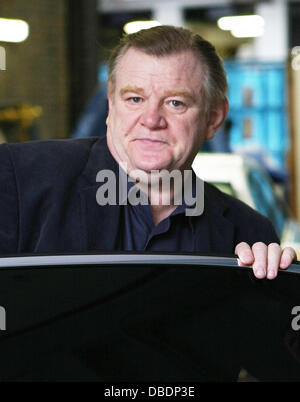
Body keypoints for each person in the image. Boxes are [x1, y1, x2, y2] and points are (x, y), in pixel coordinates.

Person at [0, 25, 296, 277]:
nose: (151, 120)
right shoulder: (18, 179)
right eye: (134, 99)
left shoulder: (248, 235)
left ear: (214, 118)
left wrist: (276, 295)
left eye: (175, 103)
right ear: (111, 105)